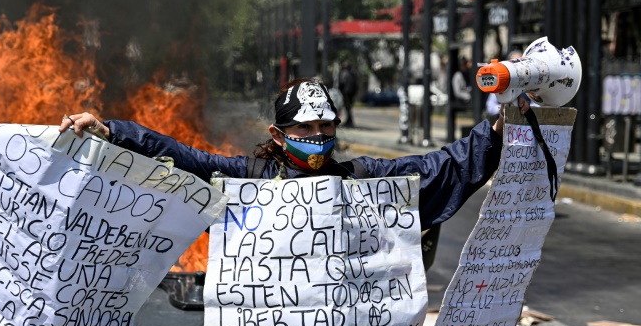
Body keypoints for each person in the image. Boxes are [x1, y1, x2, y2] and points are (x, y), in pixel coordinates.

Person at [60, 78, 529, 230]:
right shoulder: (249, 179)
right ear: (279, 135)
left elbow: (436, 169)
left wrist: (496, 129)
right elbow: (184, 160)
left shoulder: (362, 179)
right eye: (305, 127)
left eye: (326, 126)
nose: (318, 135)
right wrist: (113, 132)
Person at [338, 61, 358, 127]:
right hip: (351, 94)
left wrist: (339, 91)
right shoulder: (352, 74)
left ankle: (349, 121)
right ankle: (349, 121)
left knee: (347, 108)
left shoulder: (344, 73)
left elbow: (341, 83)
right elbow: (356, 85)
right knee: (348, 108)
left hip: (346, 93)